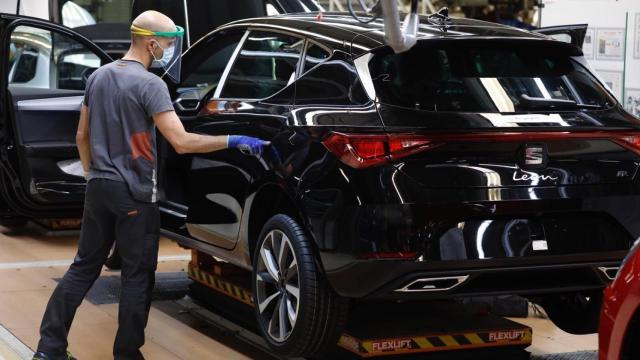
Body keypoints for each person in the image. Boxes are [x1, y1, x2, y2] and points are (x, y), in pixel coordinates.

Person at [32, 10, 269, 360]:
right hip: (136, 194)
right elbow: (182, 142)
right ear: (151, 42)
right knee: (136, 276)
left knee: (83, 267)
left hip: (99, 187)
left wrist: (91, 173)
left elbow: (82, 135)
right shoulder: (150, 84)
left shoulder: (99, 76)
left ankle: (49, 349)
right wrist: (233, 139)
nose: (171, 49)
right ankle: (127, 354)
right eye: (170, 42)